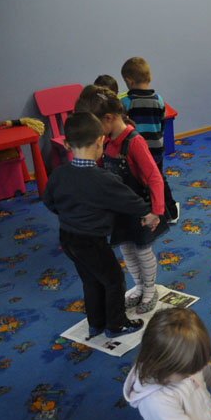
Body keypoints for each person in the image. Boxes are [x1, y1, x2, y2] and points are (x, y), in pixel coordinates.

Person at [42, 112, 156, 338]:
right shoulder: (103, 179)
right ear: (99, 141)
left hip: (67, 237)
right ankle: (116, 325)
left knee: (90, 279)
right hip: (92, 242)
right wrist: (149, 212)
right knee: (114, 280)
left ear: (67, 144)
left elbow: (49, 201)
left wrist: (68, 215)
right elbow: (129, 201)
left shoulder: (58, 174)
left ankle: (96, 323)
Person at [76, 84, 169, 314]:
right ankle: (139, 286)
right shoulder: (106, 140)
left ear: (108, 118)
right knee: (126, 250)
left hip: (141, 210)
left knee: (142, 251)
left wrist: (156, 211)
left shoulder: (134, 141)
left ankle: (150, 290)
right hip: (119, 209)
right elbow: (100, 170)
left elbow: (154, 177)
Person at [120, 57, 180, 222]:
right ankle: (171, 212)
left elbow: (123, 129)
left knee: (137, 182)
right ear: (149, 77)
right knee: (159, 179)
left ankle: (142, 211)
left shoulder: (125, 102)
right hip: (156, 150)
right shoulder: (159, 100)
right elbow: (162, 124)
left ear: (129, 81)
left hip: (136, 153)